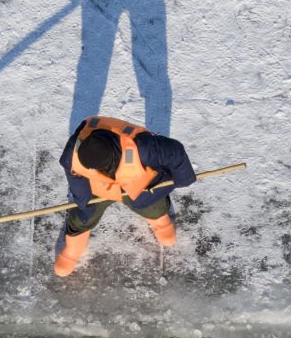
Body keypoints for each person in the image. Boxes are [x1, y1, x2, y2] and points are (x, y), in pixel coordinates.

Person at [54, 114, 196, 277]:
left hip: (137, 185)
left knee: (152, 207)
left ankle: (160, 222)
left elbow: (175, 152)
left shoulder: (142, 148)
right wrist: (83, 201)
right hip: (96, 187)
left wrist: (183, 180)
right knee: (83, 215)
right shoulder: (74, 150)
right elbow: (75, 176)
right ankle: (73, 249)